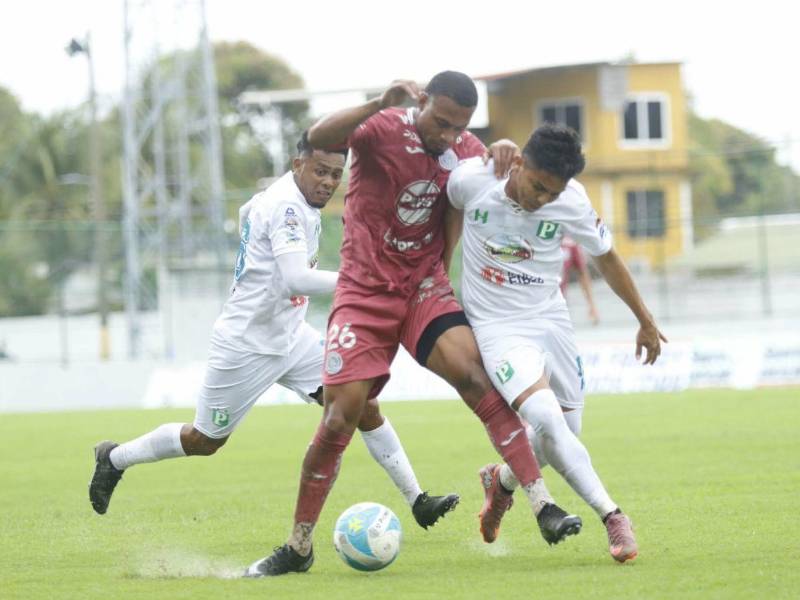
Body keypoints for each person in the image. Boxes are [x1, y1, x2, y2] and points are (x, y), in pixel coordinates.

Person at [244, 72, 581, 578]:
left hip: (423, 287)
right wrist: (377, 99)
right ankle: (298, 546)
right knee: (341, 417)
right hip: (364, 292)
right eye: (441, 122)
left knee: (475, 377)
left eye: (459, 127)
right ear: (421, 102)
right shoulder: (380, 127)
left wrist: (505, 150)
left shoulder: (466, 148)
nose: (449, 136)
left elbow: (492, 179)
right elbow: (319, 136)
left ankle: (542, 504)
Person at [88, 133, 459, 531]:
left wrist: (254, 225)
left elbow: (249, 211)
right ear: (296, 164)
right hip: (246, 344)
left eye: (336, 174)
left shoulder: (286, 196)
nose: (329, 181)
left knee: (363, 405)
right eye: (320, 171)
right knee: (204, 441)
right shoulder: (285, 206)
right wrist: (366, 280)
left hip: (292, 337)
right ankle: (114, 458)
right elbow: (296, 279)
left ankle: (418, 500)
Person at [446, 123, 668, 563]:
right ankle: (613, 516)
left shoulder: (572, 201)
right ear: (520, 163)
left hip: (551, 320)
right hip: (497, 326)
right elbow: (442, 210)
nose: (542, 199)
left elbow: (606, 258)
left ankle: (502, 482)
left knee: (567, 432)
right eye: (538, 187)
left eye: (552, 193)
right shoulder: (472, 181)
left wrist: (644, 319)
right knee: (544, 415)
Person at [561, 235, 600, 325]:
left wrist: (591, 305)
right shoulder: (533, 235)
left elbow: (582, 273)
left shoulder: (570, 243)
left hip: (558, 302)